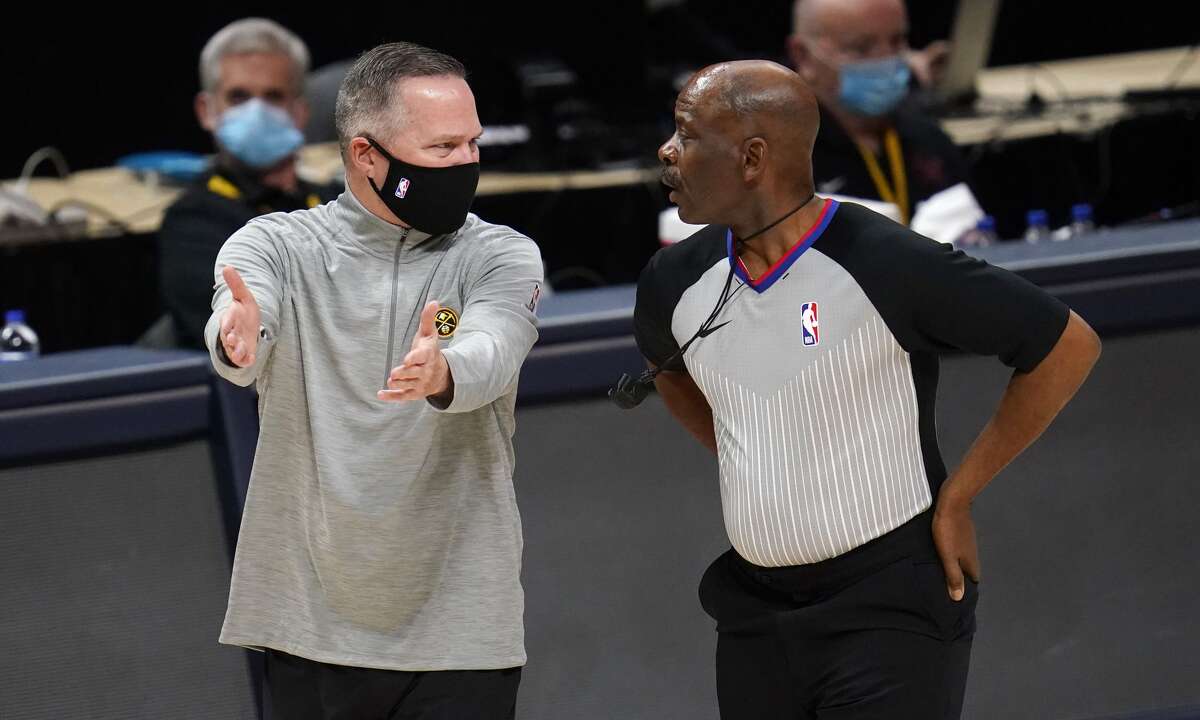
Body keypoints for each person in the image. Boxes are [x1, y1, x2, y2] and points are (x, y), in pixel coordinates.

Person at [634, 60, 1101, 718]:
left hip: (890, 605)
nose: (667, 150)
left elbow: (1067, 344)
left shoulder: (883, 260)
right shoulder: (672, 281)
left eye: (686, 134)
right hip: (755, 617)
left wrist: (959, 496)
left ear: (752, 158)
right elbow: (667, 369)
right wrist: (754, 450)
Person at [208, 42, 545, 719]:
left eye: (472, 143)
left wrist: (444, 368)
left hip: (460, 634)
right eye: (443, 148)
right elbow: (246, 320)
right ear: (366, 155)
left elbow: (494, 343)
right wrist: (236, 339)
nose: (466, 163)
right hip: (309, 624)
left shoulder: (499, 253)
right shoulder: (274, 246)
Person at [158, 18, 337, 350]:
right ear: (206, 110)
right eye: (239, 97)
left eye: (273, 96)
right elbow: (244, 339)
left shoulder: (337, 203)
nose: (257, 112)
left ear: (300, 113)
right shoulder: (193, 224)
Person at [786, 0, 978, 231]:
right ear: (803, 55)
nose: (886, 60)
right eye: (861, 47)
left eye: (897, 41)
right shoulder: (785, 158)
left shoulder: (929, 139)